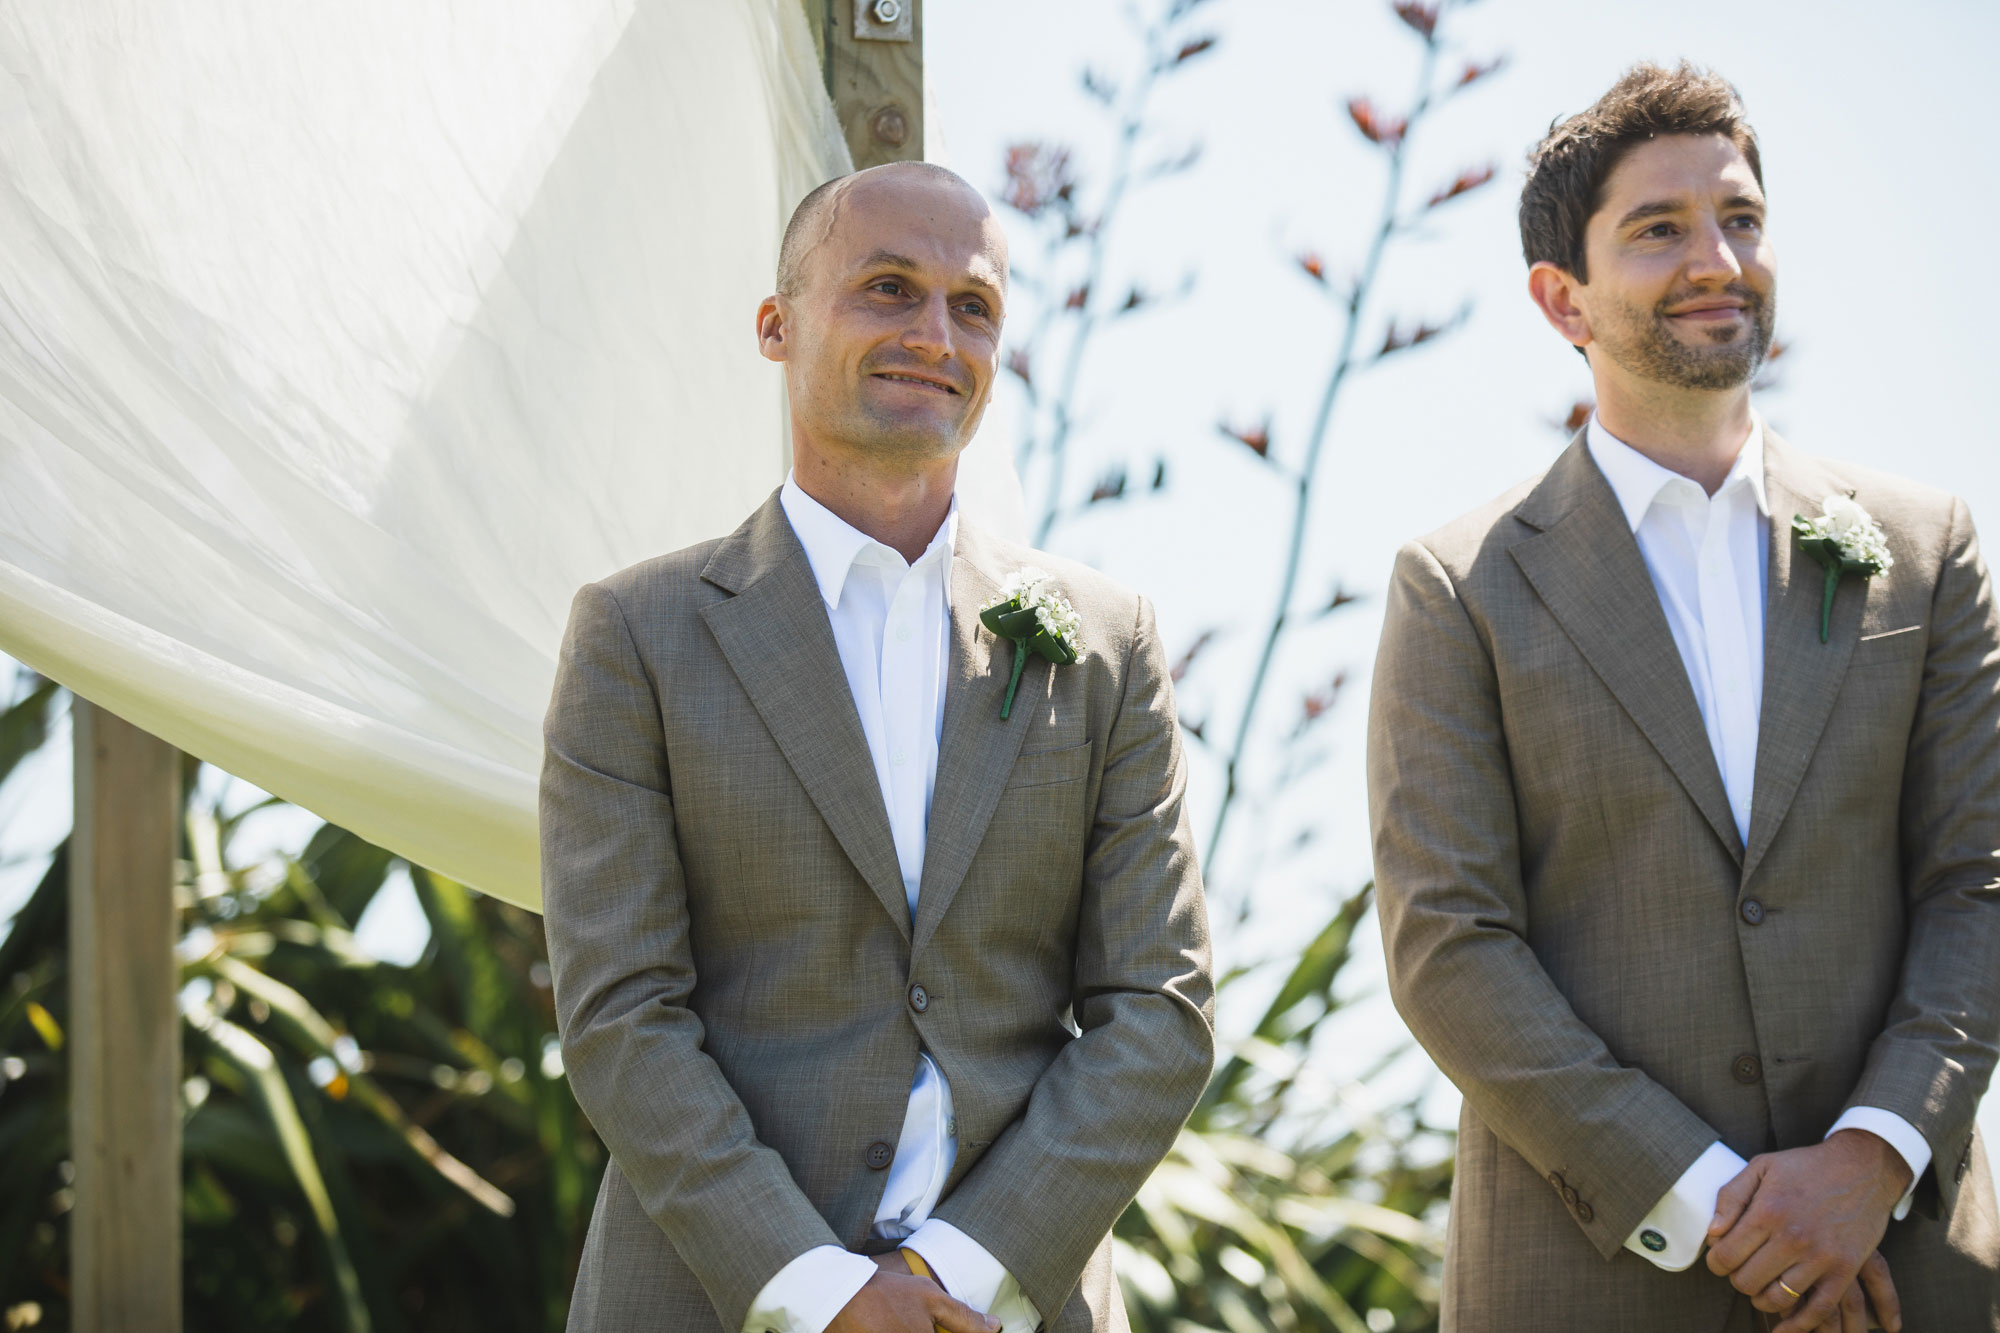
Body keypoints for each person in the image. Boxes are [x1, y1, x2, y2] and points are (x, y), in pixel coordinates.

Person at [1368, 63, 2000, 1331]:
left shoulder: (1924, 549)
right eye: (1657, 229)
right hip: (1581, 1277)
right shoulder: (1459, 585)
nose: (1716, 257)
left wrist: (1867, 1162)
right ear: (1562, 300)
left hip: (1898, 1272)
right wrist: (1717, 1201)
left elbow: (1974, 881)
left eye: (1740, 219)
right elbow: (1450, 947)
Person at [540, 160, 1214, 1333]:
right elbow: (621, 1014)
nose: (933, 334)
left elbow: (1159, 1007)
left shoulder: (1105, 643)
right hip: (710, 1299)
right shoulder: (636, 636)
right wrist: (819, 1291)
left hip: (1009, 1303)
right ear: (775, 325)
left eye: (974, 307)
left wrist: (954, 1271)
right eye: (888, 289)